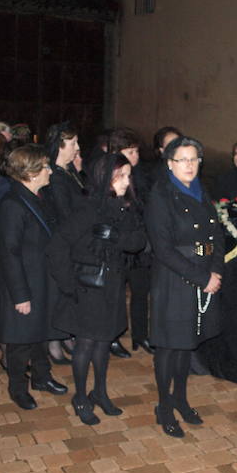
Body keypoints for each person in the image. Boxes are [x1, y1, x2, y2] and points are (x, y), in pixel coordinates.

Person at [47, 153, 146, 425]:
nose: (126, 182)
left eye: (128, 176)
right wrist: (68, 284)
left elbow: (139, 241)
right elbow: (57, 245)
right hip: (87, 287)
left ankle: (99, 392)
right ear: (105, 177)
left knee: (104, 340)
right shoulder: (88, 209)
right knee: (86, 344)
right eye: (120, 176)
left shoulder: (124, 207)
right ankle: (80, 397)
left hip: (112, 286)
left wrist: (117, 236)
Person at [145, 136, 225, 437]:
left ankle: (180, 398)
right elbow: (163, 250)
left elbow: (216, 235)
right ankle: (164, 406)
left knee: (186, 344)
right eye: (183, 160)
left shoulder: (201, 191)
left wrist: (215, 269)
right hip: (173, 280)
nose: (189, 165)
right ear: (170, 163)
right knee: (169, 347)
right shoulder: (161, 196)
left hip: (202, 273)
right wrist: (203, 278)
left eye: (194, 159)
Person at [0, 145, 68, 411]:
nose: (49, 171)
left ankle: (42, 377)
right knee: (20, 341)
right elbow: (9, 253)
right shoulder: (11, 204)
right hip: (21, 284)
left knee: (40, 333)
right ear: (31, 173)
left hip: (40, 279)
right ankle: (18, 388)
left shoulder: (37, 196)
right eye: (45, 167)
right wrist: (20, 296)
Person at [41, 122, 87, 363]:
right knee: (58, 295)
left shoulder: (69, 170)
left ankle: (67, 335)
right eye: (73, 143)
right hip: (63, 242)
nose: (77, 148)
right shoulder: (55, 176)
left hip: (75, 240)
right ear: (59, 146)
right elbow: (63, 213)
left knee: (69, 294)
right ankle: (54, 341)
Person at [111, 127, 155, 354]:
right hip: (119, 245)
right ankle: (113, 336)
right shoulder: (109, 177)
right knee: (116, 294)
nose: (135, 156)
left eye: (136, 151)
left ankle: (141, 335)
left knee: (140, 291)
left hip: (140, 244)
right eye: (130, 152)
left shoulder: (142, 176)